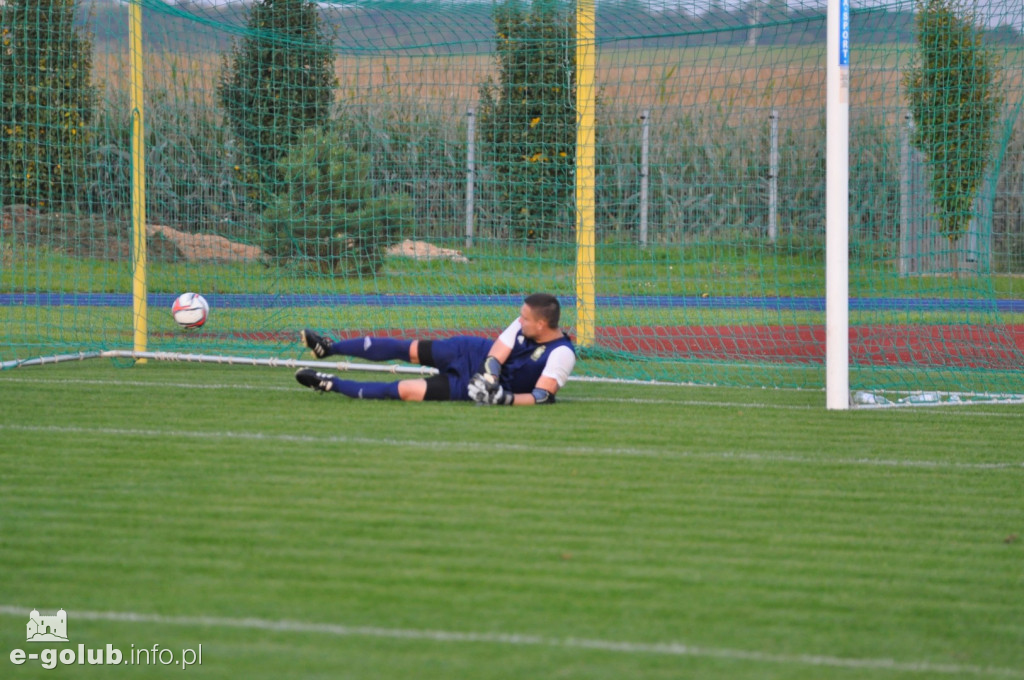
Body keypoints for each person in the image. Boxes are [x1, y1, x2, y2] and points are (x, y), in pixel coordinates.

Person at [294, 293, 576, 406]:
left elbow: (542, 396)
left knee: (404, 391)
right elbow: (496, 354)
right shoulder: (523, 321)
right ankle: (328, 348)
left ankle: (330, 383)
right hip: (469, 353)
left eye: (526, 318)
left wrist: (503, 398)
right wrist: (489, 378)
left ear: (541, 324)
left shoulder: (561, 352)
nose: (520, 319)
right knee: (410, 350)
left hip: (468, 385)